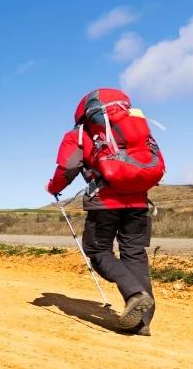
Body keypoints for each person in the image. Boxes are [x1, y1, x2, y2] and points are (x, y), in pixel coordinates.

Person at [45, 88, 165, 335]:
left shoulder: (79, 134)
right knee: (134, 253)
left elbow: (68, 168)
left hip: (105, 203)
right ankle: (143, 323)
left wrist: (53, 187)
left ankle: (135, 294)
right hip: (139, 202)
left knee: (97, 250)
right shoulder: (137, 129)